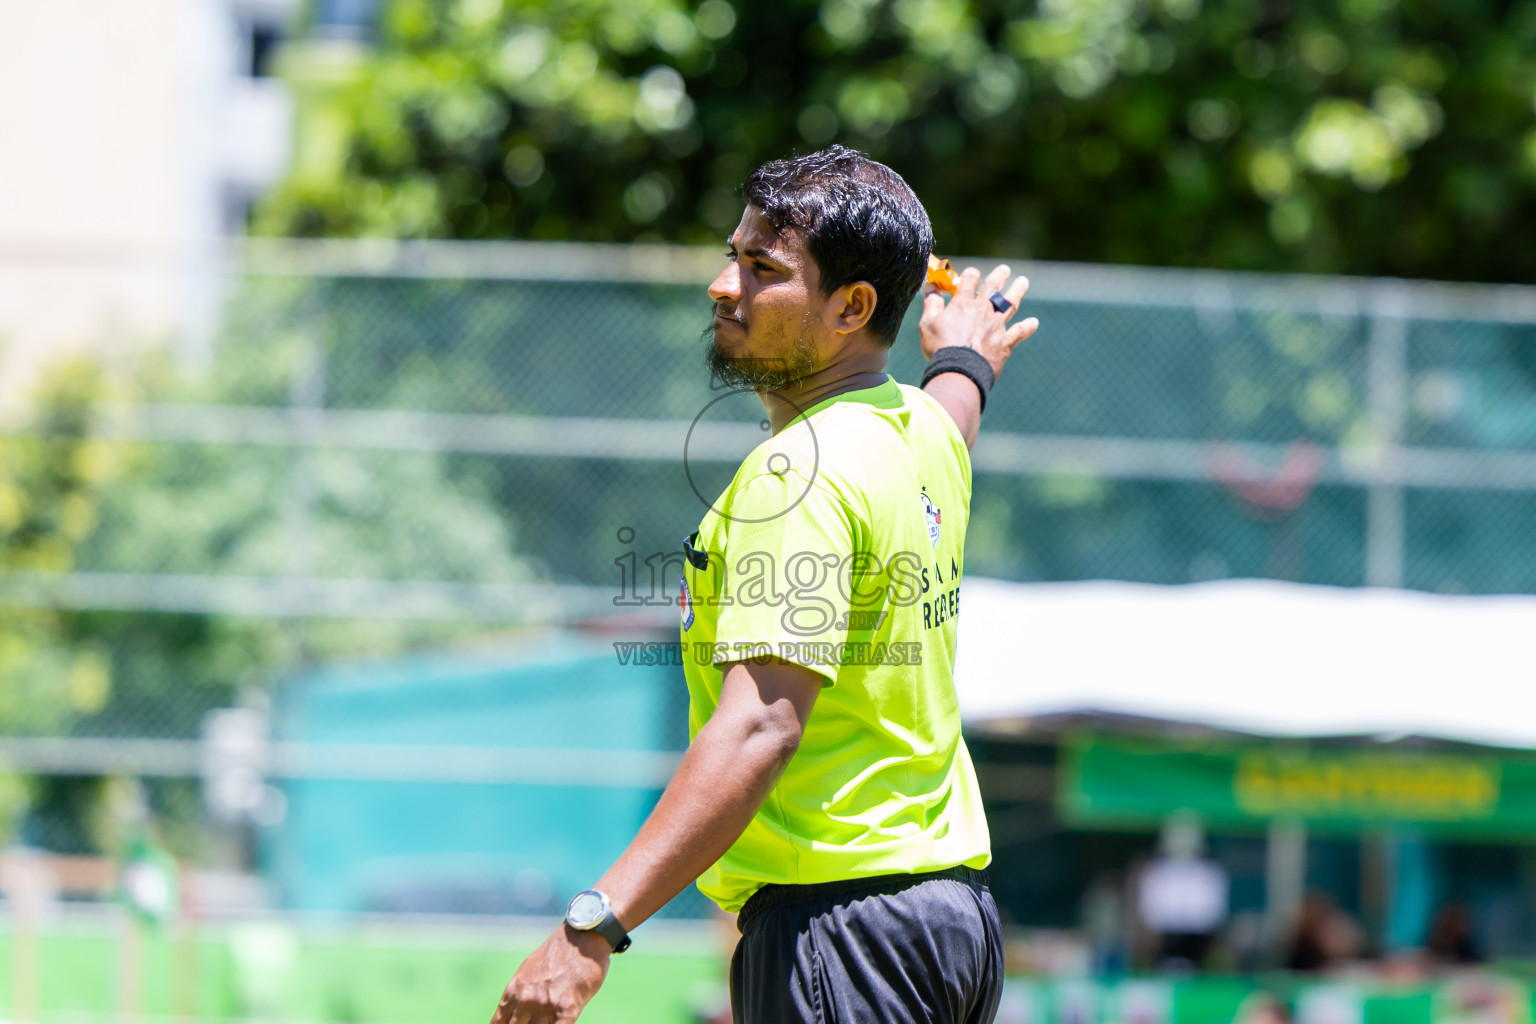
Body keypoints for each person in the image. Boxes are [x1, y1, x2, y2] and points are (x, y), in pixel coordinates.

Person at [489, 145, 1039, 1024]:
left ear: (853, 306)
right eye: (732, 255)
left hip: (842, 931)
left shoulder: (799, 474)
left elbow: (759, 726)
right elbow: (952, 412)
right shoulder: (917, 435)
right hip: (949, 923)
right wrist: (966, 357)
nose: (722, 285)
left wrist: (591, 931)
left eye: (761, 269)